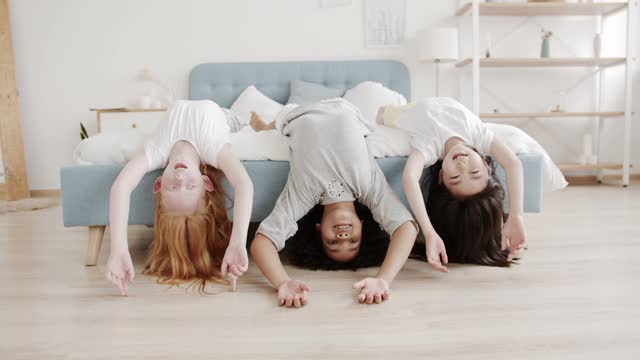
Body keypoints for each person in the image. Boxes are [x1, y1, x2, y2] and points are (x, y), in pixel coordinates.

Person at [249, 99, 417, 308]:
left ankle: (264, 126)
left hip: (296, 113)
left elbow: (261, 243)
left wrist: (282, 282)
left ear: (319, 230)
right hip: (346, 107)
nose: (344, 238)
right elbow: (407, 228)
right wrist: (383, 279)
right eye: (353, 242)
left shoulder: (303, 196)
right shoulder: (369, 189)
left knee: (278, 122)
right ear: (363, 226)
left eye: (333, 243)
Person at [106, 100, 253, 295]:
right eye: (191, 186)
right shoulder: (213, 147)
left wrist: (118, 250)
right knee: (249, 122)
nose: (180, 177)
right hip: (229, 119)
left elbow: (121, 187)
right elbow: (244, 184)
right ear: (206, 182)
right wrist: (238, 242)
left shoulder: (156, 150)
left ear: (158, 184)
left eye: (173, 187)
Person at [379, 98, 527, 270]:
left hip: (403, 112)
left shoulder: (430, 145)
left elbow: (410, 177)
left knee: (382, 112)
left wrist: (428, 232)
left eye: (455, 177)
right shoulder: (479, 136)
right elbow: (513, 163)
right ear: (487, 166)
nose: (462, 166)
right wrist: (516, 215)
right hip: (433, 101)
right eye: (475, 173)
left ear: (441, 176)